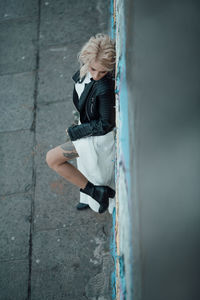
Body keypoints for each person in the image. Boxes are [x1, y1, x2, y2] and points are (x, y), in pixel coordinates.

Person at [46, 33, 116, 214]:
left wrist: (77, 131)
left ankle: (96, 193)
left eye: (103, 71)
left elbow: (106, 124)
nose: (97, 75)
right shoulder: (85, 71)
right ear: (86, 60)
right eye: (93, 69)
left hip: (97, 139)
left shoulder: (104, 88)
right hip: (88, 130)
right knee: (83, 166)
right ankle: (89, 195)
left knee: (52, 159)